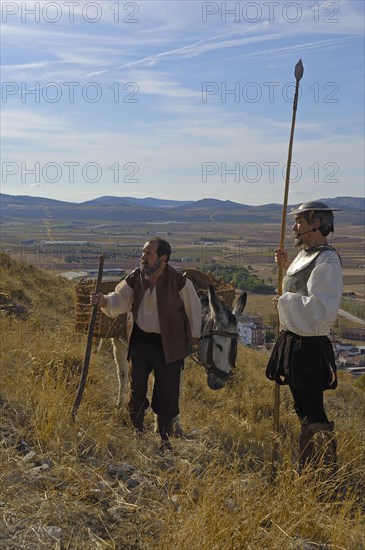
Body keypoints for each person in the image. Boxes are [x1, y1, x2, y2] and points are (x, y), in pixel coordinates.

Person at [91, 237, 201, 451]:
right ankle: (137, 432)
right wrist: (103, 301)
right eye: (143, 252)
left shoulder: (179, 281)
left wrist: (194, 336)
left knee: (167, 394)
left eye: (148, 253)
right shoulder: (136, 277)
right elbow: (120, 300)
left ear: (163, 258)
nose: (143, 257)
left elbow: (193, 308)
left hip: (169, 346)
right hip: (140, 343)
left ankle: (164, 439)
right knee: (136, 391)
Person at [266, 201, 343, 474]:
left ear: (317, 225)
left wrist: (284, 301)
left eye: (300, 221)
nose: (295, 227)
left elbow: (321, 308)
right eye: (296, 221)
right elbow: (302, 286)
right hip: (294, 341)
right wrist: (287, 265)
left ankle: (321, 474)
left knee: (313, 411)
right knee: (302, 408)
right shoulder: (306, 255)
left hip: (309, 345)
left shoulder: (328, 260)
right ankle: (310, 469)